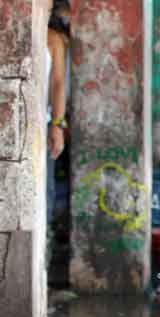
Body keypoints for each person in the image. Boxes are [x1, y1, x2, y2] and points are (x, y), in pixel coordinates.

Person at [47, 0, 70, 227]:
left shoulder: (53, 39)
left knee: (45, 191)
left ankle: (45, 244)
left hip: (41, 124)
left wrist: (57, 124)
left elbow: (58, 84)